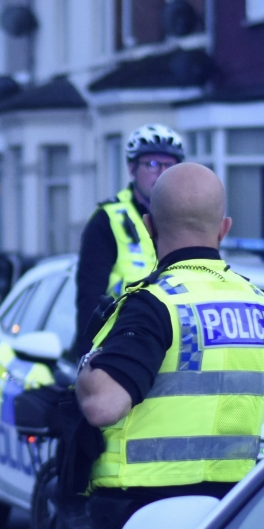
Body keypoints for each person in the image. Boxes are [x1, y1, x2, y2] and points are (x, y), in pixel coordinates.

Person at [75, 163, 264, 529]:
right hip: (225, 516)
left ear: (149, 227)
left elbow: (103, 405)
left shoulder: (153, 304)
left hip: (143, 520)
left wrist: (89, 358)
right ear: (223, 229)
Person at [73, 124, 186, 355]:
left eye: (170, 165)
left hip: (177, 347)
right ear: (132, 168)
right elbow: (89, 296)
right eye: (153, 164)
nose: (162, 172)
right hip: (121, 346)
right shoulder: (108, 220)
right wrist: (88, 355)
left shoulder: (188, 218)